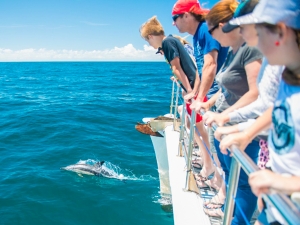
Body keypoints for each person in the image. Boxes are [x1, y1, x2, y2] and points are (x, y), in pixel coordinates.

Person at [217, 0, 300, 224]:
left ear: (280, 32)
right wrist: (245, 132)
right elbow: (277, 114)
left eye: (259, 35)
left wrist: (289, 184)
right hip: (277, 200)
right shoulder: (289, 80)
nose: (257, 47)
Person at [200, 0, 263, 223]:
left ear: (225, 24)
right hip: (224, 127)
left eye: (211, 29)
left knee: (243, 182)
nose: (211, 35)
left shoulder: (250, 49)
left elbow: (255, 92)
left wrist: (224, 115)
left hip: (241, 126)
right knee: (230, 175)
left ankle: (237, 221)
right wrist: (210, 104)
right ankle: (229, 210)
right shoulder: (233, 52)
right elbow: (227, 87)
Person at [212, 0, 284, 170]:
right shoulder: (271, 60)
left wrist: (245, 133)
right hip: (271, 154)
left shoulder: (283, 63)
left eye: (242, 27)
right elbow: (268, 107)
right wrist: (232, 122)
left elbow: (281, 112)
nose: (240, 32)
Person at [172, 0, 228, 191]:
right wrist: (195, 94)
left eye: (175, 18)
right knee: (213, 140)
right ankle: (218, 182)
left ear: (187, 15)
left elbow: (211, 66)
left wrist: (199, 98)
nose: (174, 23)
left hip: (220, 94)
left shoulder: (205, 30)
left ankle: (222, 190)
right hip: (211, 94)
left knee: (219, 144)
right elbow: (200, 71)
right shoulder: (196, 36)